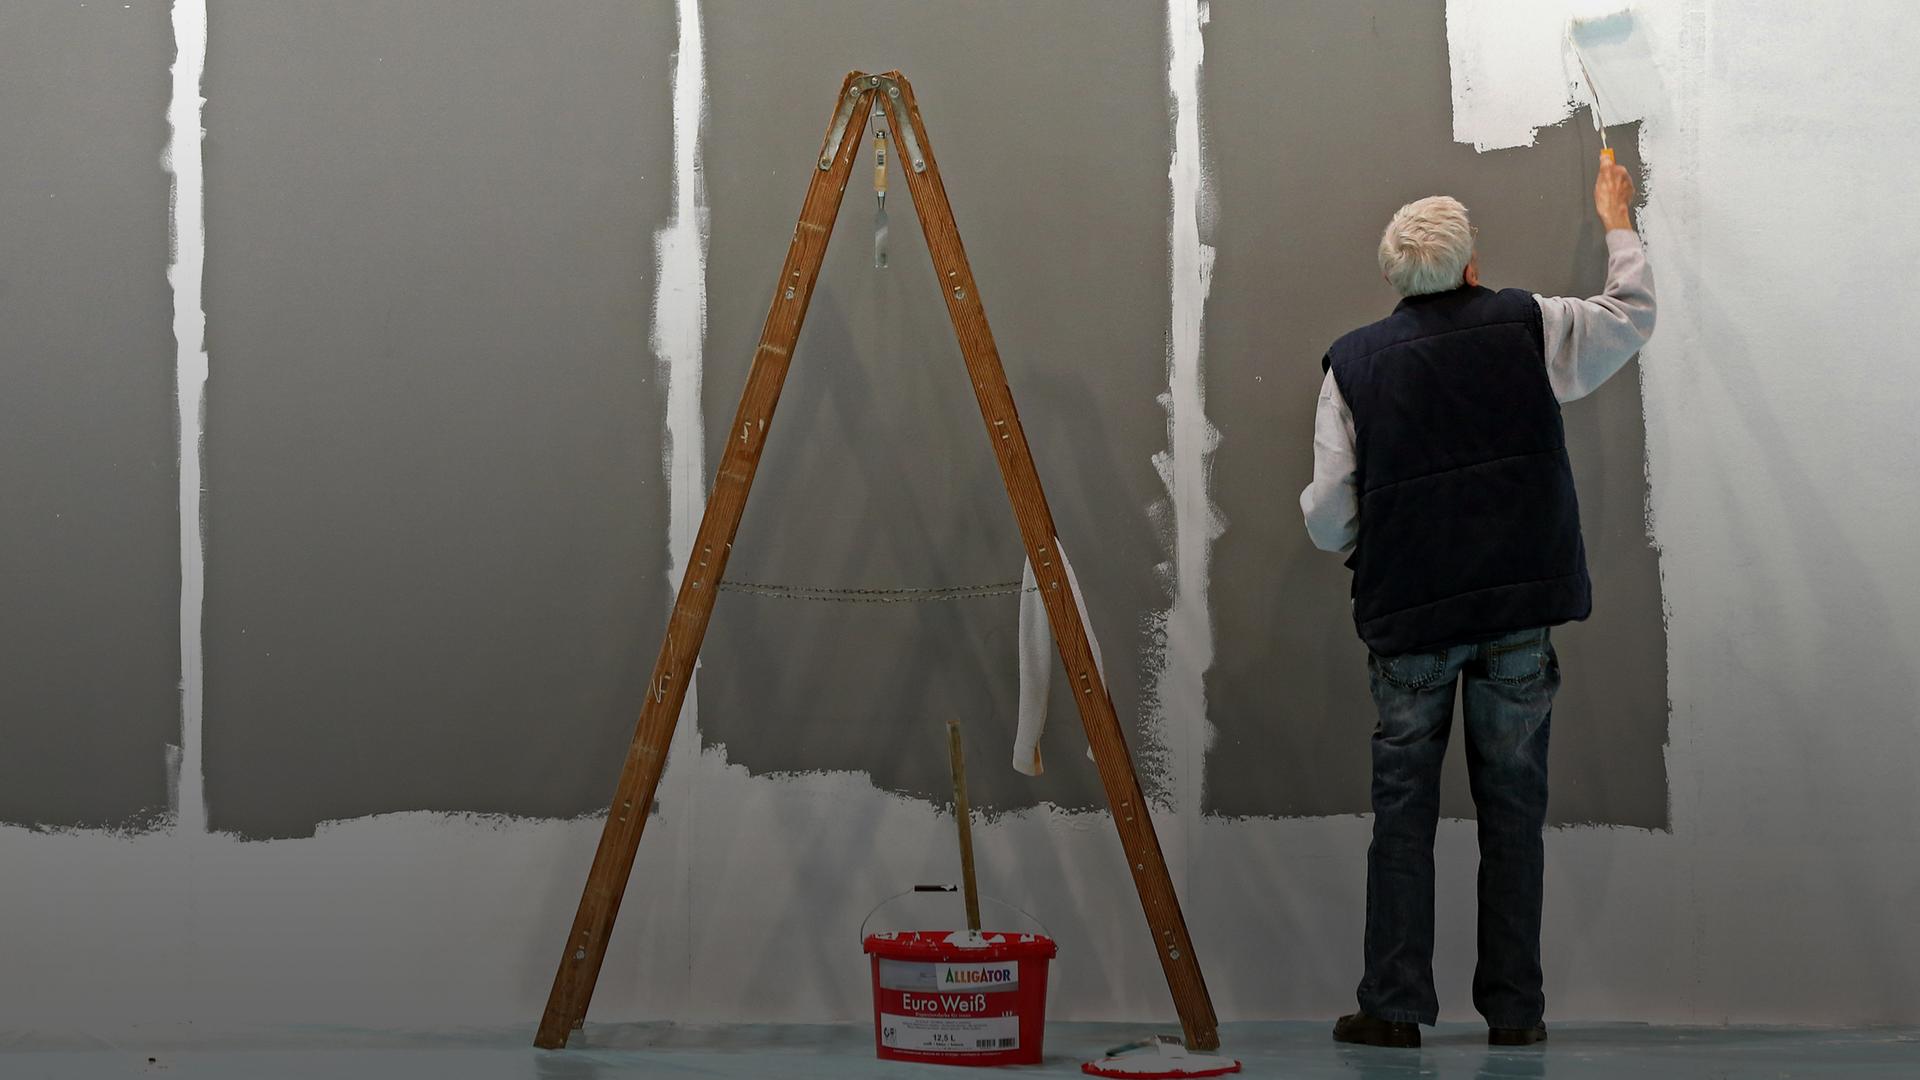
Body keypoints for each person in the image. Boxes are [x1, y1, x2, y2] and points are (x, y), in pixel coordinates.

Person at [1300, 157, 1654, 1049]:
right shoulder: (1527, 325)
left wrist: (1377, 536)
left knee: (1403, 818)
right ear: (1469, 264)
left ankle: (1393, 1009)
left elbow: (1328, 515)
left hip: (1411, 621)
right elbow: (1629, 317)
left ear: (1395, 277)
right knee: (1513, 813)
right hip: (1513, 619)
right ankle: (1516, 1013)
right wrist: (1616, 218)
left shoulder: (1353, 366)